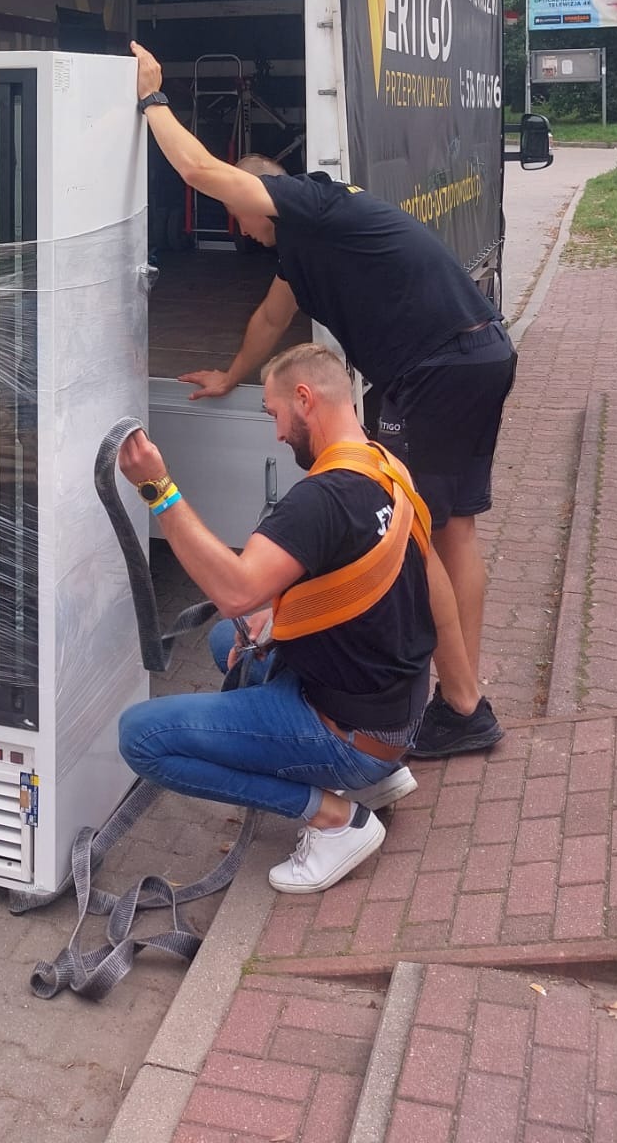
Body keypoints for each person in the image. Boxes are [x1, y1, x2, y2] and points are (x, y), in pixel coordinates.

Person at [132, 40, 511, 758]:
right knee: (454, 528)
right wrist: (231, 377)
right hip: (470, 354)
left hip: (439, 368)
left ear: (261, 200)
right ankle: (462, 699)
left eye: (242, 217)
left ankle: (460, 705)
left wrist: (153, 98)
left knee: (415, 532)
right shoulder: (307, 250)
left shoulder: (310, 205)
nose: (240, 232)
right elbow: (272, 320)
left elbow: (200, 171)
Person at [117, 343, 445, 892]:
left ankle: (335, 817)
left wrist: (159, 489)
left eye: (273, 415)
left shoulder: (320, 500)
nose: (276, 433)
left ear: (304, 398)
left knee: (141, 738)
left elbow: (234, 591)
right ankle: (381, 774)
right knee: (231, 640)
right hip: (398, 713)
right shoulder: (383, 468)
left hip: (350, 733)